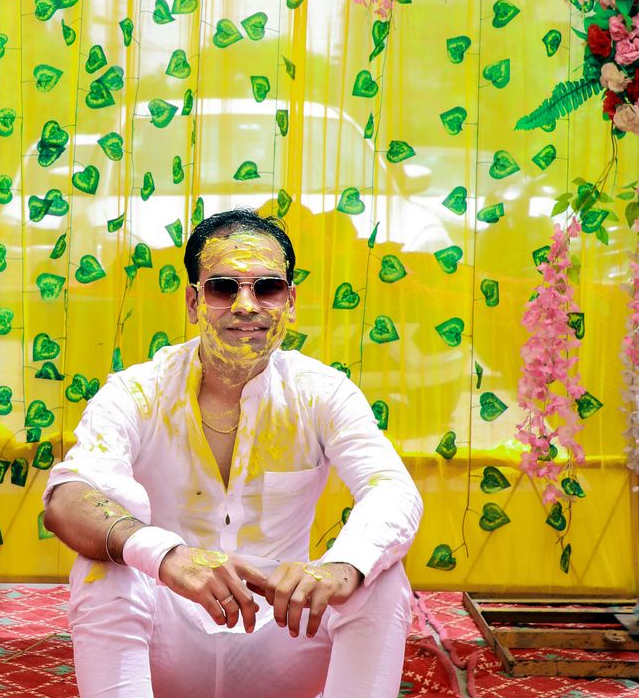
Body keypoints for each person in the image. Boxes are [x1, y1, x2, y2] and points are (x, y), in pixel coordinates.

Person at [42, 207, 423, 698]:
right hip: (170, 636)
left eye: (266, 288)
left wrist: (342, 566)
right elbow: (67, 499)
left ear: (290, 301)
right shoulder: (137, 391)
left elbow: (391, 489)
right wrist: (167, 555)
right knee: (104, 567)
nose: (247, 306)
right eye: (224, 288)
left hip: (284, 635)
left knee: (378, 575)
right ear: (193, 302)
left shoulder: (321, 391)